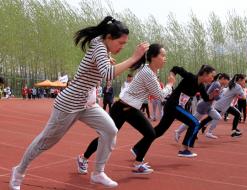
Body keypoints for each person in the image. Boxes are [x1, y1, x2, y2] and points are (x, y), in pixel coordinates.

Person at [9, 16, 149, 190]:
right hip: (68, 104)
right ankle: (19, 171)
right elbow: (107, 74)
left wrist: (107, 59)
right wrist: (134, 58)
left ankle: (98, 172)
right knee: (46, 141)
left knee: (110, 130)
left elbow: (102, 67)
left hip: (87, 105)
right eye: (120, 43)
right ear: (109, 38)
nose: (122, 47)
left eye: (125, 44)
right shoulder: (99, 45)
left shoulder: (104, 48)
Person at [77, 43, 175, 175]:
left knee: (150, 133)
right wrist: (169, 84)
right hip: (122, 109)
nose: (165, 58)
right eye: (163, 55)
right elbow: (160, 95)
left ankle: (138, 163)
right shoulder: (148, 74)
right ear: (153, 57)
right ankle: (83, 158)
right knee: (106, 137)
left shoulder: (150, 70)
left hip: (130, 109)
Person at [131, 65, 216, 162]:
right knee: (195, 123)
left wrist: (212, 96)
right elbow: (176, 68)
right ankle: (184, 149)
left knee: (159, 131)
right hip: (173, 105)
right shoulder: (191, 77)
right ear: (205, 74)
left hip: (174, 108)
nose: (212, 79)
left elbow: (206, 98)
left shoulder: (201, 86)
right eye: (212, 76)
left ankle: (137, 148)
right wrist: (172, 76)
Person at [175, 73, 230, 140]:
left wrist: (218, 96)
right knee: (191, 121)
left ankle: (208, 132)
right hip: (203, 106)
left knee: (217, 117)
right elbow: (209, 94)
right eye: (228, 80)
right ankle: (178, 131)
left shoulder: (218, 85)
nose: (228, 82)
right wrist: (220, 96)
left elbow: (210, 92)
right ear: (223, 78)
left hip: (208, 106)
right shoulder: (217, 84)